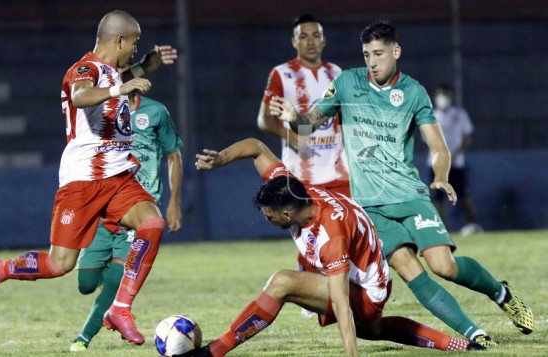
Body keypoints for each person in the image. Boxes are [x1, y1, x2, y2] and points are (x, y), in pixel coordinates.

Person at [269, 20, 533, 348]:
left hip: (409, 195)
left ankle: (501, 293)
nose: (372, 61)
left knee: (443, 266)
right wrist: (295, 117)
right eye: (366, 55)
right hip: (370, 207)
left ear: (396, 51)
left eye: (378, 53)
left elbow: (438, 147)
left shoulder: (412, 92)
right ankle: (474, 335)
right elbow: (311, 123)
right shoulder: (347, 84)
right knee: (408, 268)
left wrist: (439, 176)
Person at [0, 10, 178, 346]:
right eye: (134, 43)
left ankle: (120, 308)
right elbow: (81, 95)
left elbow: (118, 78)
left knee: (152, 224)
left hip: (118, 175)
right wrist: (124, 86)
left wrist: (146, 66)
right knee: (58, 263)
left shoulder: (111, 71)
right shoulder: (85, 68)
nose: (135, 49)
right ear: (119, 40)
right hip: (84, 180)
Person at [175, 138, 482, 357]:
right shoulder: (292, 188)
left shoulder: (329, 234)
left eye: (269, 216)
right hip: (369, 278)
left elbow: (340, 300)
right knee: (372, 330)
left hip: (364, 292)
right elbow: (257, 146)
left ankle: (215, 351)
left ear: (286, 214)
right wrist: (221, 160)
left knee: (283, 282)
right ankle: (452, 344)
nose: (266, 218)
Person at [69, 93, 183, 352]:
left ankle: (83, 337)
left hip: (138, 212)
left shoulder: (156, 111)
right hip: (104, 207)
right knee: (85, 284)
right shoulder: (100, 111)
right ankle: (112, 289)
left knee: (116, 278)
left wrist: (174, 200)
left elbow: (173, 156)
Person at [257, 15, 349, 317]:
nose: (310, 41)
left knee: (345, 230)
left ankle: (349, 288)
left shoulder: (337, 73)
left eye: (315, 35)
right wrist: (291, 136)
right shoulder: (281, 74)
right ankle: (310, 289)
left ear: (324, 40)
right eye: (304, 36)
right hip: (301, 172)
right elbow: (264, 119)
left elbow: (343, 118)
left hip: (337, 169)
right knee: (307, 231)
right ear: (294, 41)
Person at [428, 83, 482, 235]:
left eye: (444, 95)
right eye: (439, 95)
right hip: (436, 163)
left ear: (450, 96)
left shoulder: (459, 114)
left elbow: (467, 137)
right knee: (438, 197)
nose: (442, 99)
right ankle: (442, 229)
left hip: (456, 163)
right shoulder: (431, 115)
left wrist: (455, 154)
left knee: (463, 195)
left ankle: (474, 225)